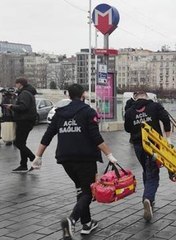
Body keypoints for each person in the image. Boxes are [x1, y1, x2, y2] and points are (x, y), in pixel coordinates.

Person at [31, 84, 118, 239]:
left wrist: (38, 156)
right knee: (88, 192)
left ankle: (87, 223)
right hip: (85, 158)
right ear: (83, 94)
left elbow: (48, 136)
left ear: (69, 95)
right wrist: (110, 155)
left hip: (66, 159)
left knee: (81, 190)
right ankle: (72, 220)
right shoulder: (88, 112)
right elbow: (96, 137)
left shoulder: (59, 113)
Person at [124, 90, 171, 222]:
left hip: (139, 146)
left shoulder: (129, 111)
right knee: (153, 173)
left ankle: (150, 198)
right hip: (154, 145)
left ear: (135, 98)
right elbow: (166, 119)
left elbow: (127, 128)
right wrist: (168, 139)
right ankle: (148, 198)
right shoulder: (154, 106)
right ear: (146, 96)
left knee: (147, 170)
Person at [4, 78, 37, 172]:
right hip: (26, 120)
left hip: (24, 121)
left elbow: (23, 107)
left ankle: (33, 158)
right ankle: (23, 165)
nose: (16, 86)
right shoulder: (27, 92)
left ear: (21, 84)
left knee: (18, 143)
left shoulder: (24, 93)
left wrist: (11, 106)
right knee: (22, 143)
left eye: (16, 84)